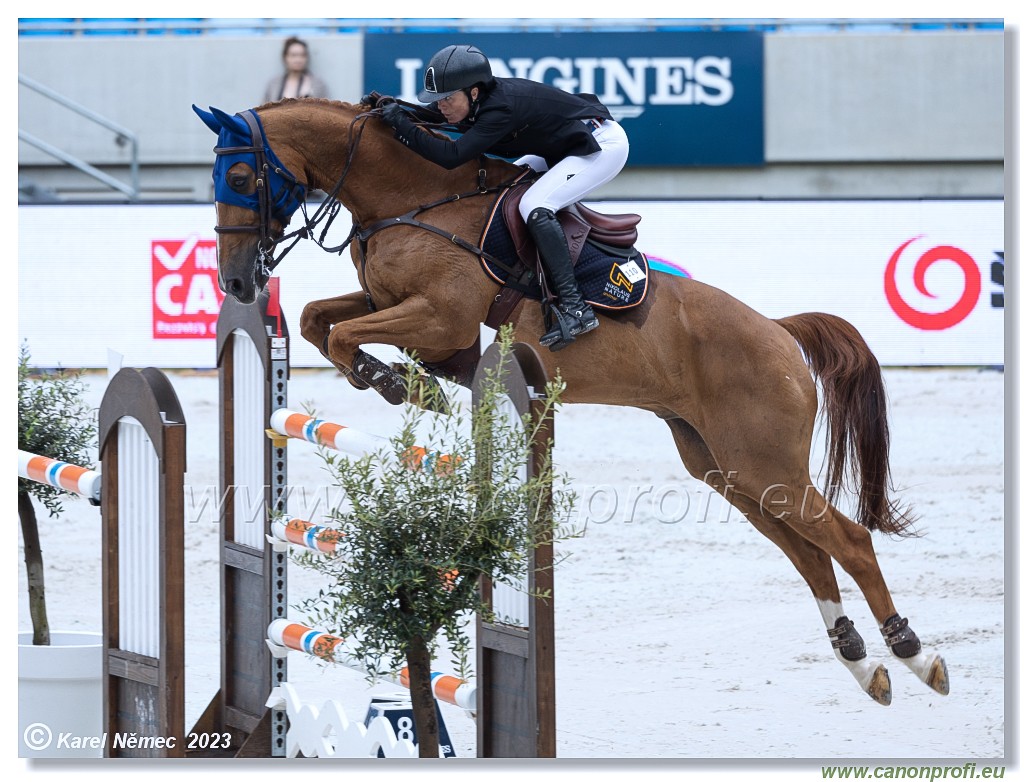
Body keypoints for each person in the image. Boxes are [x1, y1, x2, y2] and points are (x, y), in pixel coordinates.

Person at [368, 44, 629, 351]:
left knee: (535, 205)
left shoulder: (500, 109)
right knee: (502, 191)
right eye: (439, 100)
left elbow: (452, 156)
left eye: (447, 98)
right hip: (562, 146)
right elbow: (437, 117)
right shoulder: (479, 101)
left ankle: (576, 307)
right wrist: (391, 107)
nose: (442, 106)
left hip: (601, 146)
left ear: (474, 93)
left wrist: (399, 122)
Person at [263, 37, 329, 103]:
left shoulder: (317, 84)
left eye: (302, 55)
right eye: (293, 55)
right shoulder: (274, 83)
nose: (298, 60)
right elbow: (263, 110)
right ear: (285, 57)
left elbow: (326, 109)